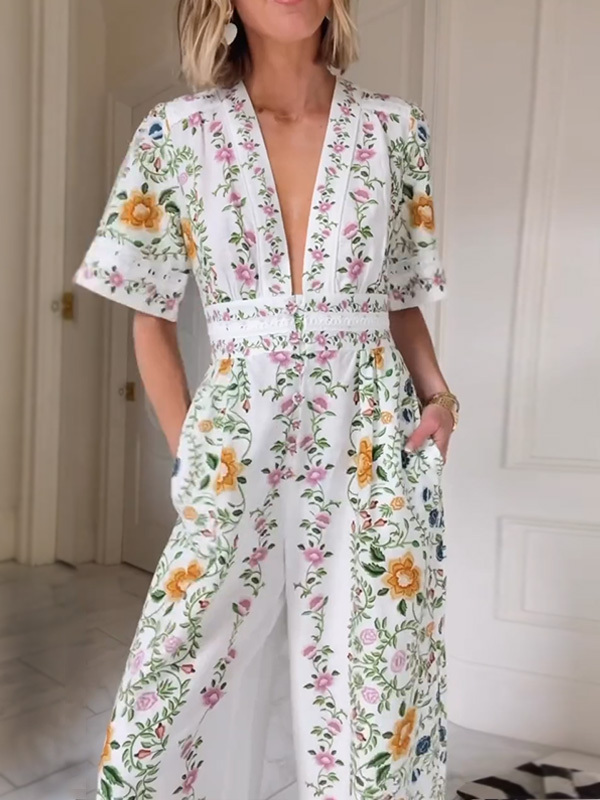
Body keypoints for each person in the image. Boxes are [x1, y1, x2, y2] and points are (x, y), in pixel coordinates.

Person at [74, 0, 459, 797]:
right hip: (236, 436)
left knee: (378, 670)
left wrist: (440, 397)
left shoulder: (396, 129)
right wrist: (191, 451)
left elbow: (402, 299)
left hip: (374, 436)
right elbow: (149, 316)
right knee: (177, 661)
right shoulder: (175, 132)